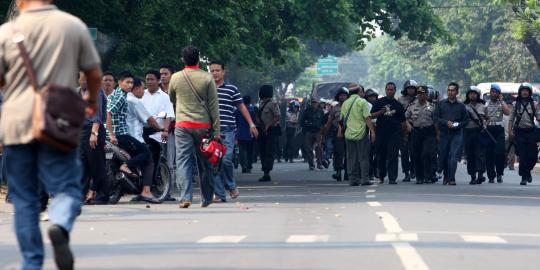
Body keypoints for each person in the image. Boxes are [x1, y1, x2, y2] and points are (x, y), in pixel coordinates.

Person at [0, 1, 102, 269]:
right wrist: (91, 102)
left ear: (20, 2)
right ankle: (59, 222)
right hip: (59, 120)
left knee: (24, 199)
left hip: (17, 123)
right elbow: (93, 73)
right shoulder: (72, 26)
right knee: (67, 186)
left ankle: (32, 263)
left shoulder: (5, 33)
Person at [169, 45, 220, 208]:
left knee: (183, 161)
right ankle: (206, 198)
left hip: (183, 124)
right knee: (204, 162)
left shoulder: (175, 77)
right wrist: (217, 130)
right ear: (198, 58)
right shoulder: (207, 78)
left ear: (182, 59)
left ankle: (185, 197)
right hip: (203, 126)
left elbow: (171, 98)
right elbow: (214, 106)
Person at [209, 60, 258, 203]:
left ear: (223, 72)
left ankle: (231, 186)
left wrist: (251, 124)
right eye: (212, 70)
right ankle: (219, 194)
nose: (215, 73)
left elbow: (242, 107)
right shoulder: (206, 89)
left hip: (228, 130)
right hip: (210, 131)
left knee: (226, 160)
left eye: (217, 70)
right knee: (214, 162)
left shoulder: (232, 89)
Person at [109, 74, 160, 204]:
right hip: (127, 136)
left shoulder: (115, 95)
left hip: (118, 136)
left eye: (131, 83)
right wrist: (161, 128)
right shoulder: (131, 100)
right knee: (148, 157)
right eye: (142, 88)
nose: (143, 91)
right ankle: (146, 191)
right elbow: (149, 120)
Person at [141, 69, 175, 201]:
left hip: (160, 133)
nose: (149, 82)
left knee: (166, 162)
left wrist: (165, 130)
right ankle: (144, 189)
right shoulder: (141, 94)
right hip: (142, 133)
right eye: (147, 79)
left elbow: (168, 115)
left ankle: (167, 192)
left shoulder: (165, 97)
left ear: (158, 81)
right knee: (145, 161)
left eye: (152, 79)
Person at [78, 72, 109, 205]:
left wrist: (94, 133)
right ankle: (81, 194)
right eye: (82, 77)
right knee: (82, 164)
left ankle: (103, 194)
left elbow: (98, 113)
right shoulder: (77, 92)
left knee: (96, 164)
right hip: (80, 131)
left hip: (93, 129)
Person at [371, 82, 406, 184]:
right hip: (381, 133)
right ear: (385, 90)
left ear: (395, 91)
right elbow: (371, 116)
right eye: (388, 89)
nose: (390, 91)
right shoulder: (379, 102)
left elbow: (403, 122)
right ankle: (381, 175)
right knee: (381, 155)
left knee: (393, 155)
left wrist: (403, 136)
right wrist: (380, 112)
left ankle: (392, 178)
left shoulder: (398, 105)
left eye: (392, 90)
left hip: (394, 134)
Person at [434, 82, 469, 186]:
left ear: (457, 92)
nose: (450, 92)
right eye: (449, 90)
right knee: (443, 156)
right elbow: (435, 118)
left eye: (453, 90)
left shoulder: (462, 106)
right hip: (444, 133)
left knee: (453, 156)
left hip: (457, 134)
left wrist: (457, 125)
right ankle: (445, 175)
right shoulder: (441, 104)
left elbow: (466, 121)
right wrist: (446, 123)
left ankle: (452, 178)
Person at [341, 85, 376, 186]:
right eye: (361, 91)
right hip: (361, 134)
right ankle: (364, 179)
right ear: (358, 92)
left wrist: (341, 131)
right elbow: (367, 118)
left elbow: (341, 119)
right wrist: (372, 132)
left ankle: (353, 179)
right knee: (363, 157)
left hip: (348, 134)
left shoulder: (345, 103)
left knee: (351, 158)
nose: (363, 93)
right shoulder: (362, 102)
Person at [405, 86, 439, 184]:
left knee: (427, 153)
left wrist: (438, 134)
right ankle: (419, 177)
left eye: (423, 93)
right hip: (416, 132)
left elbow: (436, 121)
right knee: (417, 154)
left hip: (429, 132)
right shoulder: (412, 106)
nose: (420, 95)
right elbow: (405, 117)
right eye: (419, 93)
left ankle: (428, 175)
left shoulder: (432, 106)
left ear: (426, 94)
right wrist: (408, 125)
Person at [508, 83, 540, 185]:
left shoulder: (534, 104)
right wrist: (510, 131)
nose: (524, 92)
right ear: (520, 92)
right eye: (523, 90)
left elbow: (538, 117)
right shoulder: (515, 104)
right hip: (519, 132)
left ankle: (528, 172)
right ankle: (524, 177)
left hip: (531, 132)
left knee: (533, 156)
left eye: (526, 90)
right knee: (522, 155)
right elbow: (511, 119)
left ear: (529, 92)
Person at [484, 84, 510, 183]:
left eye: (495, 92)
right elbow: (482, 116)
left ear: (499, 94)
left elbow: (507, 112)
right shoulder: (486, 104)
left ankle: (499, 174)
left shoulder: (501, 103)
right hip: (489, 129)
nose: (493, 94)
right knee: (489, 154)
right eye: (492, 92)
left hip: (499, 129)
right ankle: (491, 176)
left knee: (500, 153)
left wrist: (502, 100)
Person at [463, 86, 487, 185]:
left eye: (474, 93)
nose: (472, 95)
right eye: (470, 93)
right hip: (467, 132)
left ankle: (480, 174)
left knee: (480, 154)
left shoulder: (483, 106)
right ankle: (472, 176)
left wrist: (485, 125)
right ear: (468, 95)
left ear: (478, 95)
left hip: (479, 132)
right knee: (470, 155)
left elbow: (487, 118)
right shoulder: (464, 106)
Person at [257, 85, 281, 182]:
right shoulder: (261, 103)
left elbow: (277, 116)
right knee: (262, 151)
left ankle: (267, 172)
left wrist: (268, 125)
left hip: (271, 130)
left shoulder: (272, 103)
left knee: (269, 152)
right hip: (262, 130)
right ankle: (265, 171)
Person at [324, 87, 349, 181]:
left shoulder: (351, 106)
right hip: (337, 133)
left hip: (349, 132)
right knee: (338, 152)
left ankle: (348, 173)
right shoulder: (335, 109)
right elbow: (329, 122)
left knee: (348, 153)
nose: (342, 97)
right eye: (341, 95)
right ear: (338, 97)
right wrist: (324, 135)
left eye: (344, 95)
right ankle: (338, 172)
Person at [398, 80, 418, 182]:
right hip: (403, 129)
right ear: (406, 89)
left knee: (414, 151)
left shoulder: (419, 100)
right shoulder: (400, 100)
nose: (411, 90)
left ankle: (413, 169)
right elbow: (399, 115)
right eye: (409, 88)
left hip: (416, 128)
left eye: (413, 88)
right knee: (404, 153)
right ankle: (406, 172)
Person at [301, 98, 325, 170]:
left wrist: (323, 133)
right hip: (309, 132)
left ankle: (319, 163)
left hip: (318, 132)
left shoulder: (320, 111)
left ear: (318, 103)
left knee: (319, 148)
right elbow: (302, 122)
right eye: (313, 102)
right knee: (309, 149)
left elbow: (323, 122)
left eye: (315, 102)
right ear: (311, 103)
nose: (314, 104)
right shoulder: (306, 111)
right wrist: (307, 126)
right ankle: (311, 164)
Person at [236, 96, 257, 173]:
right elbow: (254, 122)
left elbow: (236, 121)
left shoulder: (238, 111)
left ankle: (243, 166)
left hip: (241, 133)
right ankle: (249, 166)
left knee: (242, 150)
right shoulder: (252, 111)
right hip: (250, 133)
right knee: (250, 151)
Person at [365, 89, 379, 180]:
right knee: (369, 153)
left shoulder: (379, 105)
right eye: (370, 96)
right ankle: (370, 172)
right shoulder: (364, 106)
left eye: (373, 96)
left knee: (378, 153)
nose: (372, 98)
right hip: (368, 131)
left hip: (378, 130)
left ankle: (376, 169)